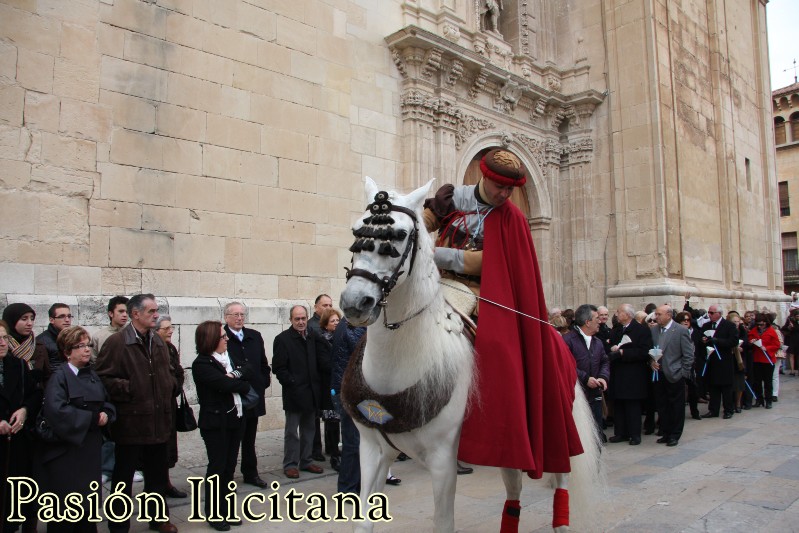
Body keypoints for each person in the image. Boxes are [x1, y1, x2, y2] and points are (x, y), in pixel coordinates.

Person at [423, 148, 583, 527]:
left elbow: (485, 262)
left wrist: (434, 254)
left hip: (479, 291)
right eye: (499, 187)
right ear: (483, 176)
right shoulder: (452, 198)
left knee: (496, 347)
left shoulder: (511, 217)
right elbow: (421, 222)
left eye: (511, 189)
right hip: (431, 282)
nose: (504, 195)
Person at [95, 294, 179, 533]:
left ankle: (158, 518)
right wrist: (131, 388)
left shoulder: (158, 341)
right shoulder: (118, 342)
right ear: (135, 314)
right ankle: (119, 524)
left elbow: (168, 372)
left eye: (156, 310)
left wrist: (168, 385)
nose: (156, 315)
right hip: (131, 423)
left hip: (158, 421)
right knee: (122, 478)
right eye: (151, 311)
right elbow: (103, 377)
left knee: (157, 475)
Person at [36, 326, 116, 533]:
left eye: (88, 345)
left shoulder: (92, 374)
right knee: (66, 508)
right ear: (67, 351)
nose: (86, 350)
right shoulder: (59, 377)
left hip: (89, 450)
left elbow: (106, 401)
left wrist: (107, 414)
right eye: (79, 346)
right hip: (67, 452)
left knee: (86, 506)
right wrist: (91, 418)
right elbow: (57, 411)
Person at [192, 321, 252, 532]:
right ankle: (214, 512)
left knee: (229, 468)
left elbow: (248, 370)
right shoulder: (202, 364)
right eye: (222, 337)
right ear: (211, 339)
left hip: (235, 418)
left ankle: (226, 509)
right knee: (217, 468)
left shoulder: (228, 359)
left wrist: (237, 378)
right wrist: (240, 381)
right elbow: (225, 385)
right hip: (216, 423)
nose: (226, 339)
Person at [1, 303, 50, 533]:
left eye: (3, 338)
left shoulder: (18, 364)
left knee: (22, 484)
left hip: (21, 434)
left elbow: (35, 391)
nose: (2, 343)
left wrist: (24, 410)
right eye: (23, 318)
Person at [272, 305, 330, 479]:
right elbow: (278, 368)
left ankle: (306, 460)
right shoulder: (282, 339)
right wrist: (291, 382)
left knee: (310, 429)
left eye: (303, 318)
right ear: (290, 320)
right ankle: (290, 463)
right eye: (297, 319)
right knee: (292, 431)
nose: (301, 322)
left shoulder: (313, 336)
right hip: (295, 392)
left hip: (312, 391)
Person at [222, 302, 272, 489]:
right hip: (234, 396)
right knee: (233, 438)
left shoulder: (254, 336)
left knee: (250, 438)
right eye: (235, 315)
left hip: (253, 396)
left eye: (242, 314)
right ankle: (227, 476)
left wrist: (263, 381)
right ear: (226, 317)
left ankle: (250, 472)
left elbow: (263, 363)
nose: (239, 318)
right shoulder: (222, 337)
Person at [562, 304, 609, 443]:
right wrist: (585, 378)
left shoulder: (597, 342)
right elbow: (566, 365)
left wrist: (603, 377)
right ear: (587, 322)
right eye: (596, 318)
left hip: (595, 396)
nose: (600, 321)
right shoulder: (568, 340)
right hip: (577, 397)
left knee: (596, 434)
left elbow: (604, 361)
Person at [607, 303, 653, 445]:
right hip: (618, 373)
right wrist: (612, 348)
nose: (616, 314)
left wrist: (623, 352)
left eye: (619, 311)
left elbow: (645, 351)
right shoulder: (615, 331)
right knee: (619, 405)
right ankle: (620, 432)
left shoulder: (641, 330)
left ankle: (634, 434)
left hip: (633, 375)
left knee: (632, 406)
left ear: (627, 315)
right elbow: (608, 348)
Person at [330, 317, 366, 495]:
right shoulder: (351, 327)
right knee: (353, 442)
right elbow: (362, 349)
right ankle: (347, 489)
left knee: (359, 442)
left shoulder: (350, 325)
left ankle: (356, 485)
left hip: (354, 392)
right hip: (349, 393)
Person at [650, 305, 694, 447]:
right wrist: (651, 362)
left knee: (676, 406)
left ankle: (675, 434)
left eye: (659, 314)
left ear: (668, 315)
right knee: (662, 405)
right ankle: (666, 431)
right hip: (659, 374)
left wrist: (683, 373)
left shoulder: (681, 330)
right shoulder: (654, 330)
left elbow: (688, 354)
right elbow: (650, 350)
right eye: (656, 314)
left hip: (675, 374)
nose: (656, 317)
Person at [155, 315, 187, 498]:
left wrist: (174, 385)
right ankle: (157, 486)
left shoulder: (171, 349)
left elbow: (179, 371)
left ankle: (166, 482)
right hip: (156, 405)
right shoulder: (150, 348)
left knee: (168, 445)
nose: (170, 331)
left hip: (170, 402)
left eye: (171, 328)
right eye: (165, 328)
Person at [699, 304, 739, 420]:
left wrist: (717, 341)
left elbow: (733, 341)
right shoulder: (706, 325)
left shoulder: (729, 326)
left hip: (724, 361)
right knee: (713, 387)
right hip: (711, 361)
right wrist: (704, 341)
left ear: (719, 314)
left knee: (726, 387)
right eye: (709, 312)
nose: (709, 315)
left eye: (712, 313)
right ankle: (713, 410)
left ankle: (728, 410)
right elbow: (701, 339)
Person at [318, 308, 342, 470]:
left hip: (343, 384)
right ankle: (334, 456)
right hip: (330, 386)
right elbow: (325, 364)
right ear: (326, 325)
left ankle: (344, 453)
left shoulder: (343, 337)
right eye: (332, 321)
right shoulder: (322, 341)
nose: (336, 323)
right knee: (332, 423)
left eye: (337, 320)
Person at [748, 312, 780, 409]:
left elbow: (777, 345)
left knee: (768, 382)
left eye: (761, 324)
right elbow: (749, 340)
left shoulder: (771, 331)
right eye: (758, 324)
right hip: (757, 359)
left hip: (768, 359)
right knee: (757, 382)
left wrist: (767, 348)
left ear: (766, 323)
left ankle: (768, 400)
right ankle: (759, 399)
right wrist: (751, 342)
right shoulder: (754, 330)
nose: (759, 326)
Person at [91, 296, 129, 363]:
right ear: (111, 313)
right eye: (121, 311)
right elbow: (94, 362)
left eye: (127, 312)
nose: (125, 315)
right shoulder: (98, 337)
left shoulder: (134, 333)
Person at [37, 303, 72, 371]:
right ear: (52, 320)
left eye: (69, 316)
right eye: (62, 316)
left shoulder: (73, 338)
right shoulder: (41, 341)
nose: (67, 320)